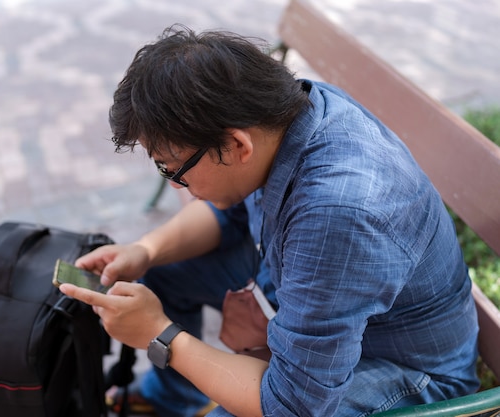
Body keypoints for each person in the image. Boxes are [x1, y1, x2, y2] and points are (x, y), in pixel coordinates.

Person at [59, 25, 480, 416]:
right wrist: (145, 250)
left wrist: (161, 335)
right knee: (161, 270)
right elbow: (232, 216)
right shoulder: (290, 112)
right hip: (322, 296)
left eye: (174, 169)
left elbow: (291, 404)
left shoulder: (339, 212)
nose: (174, 185)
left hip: (404, 368)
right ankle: (168, 401)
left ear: (237, 144)